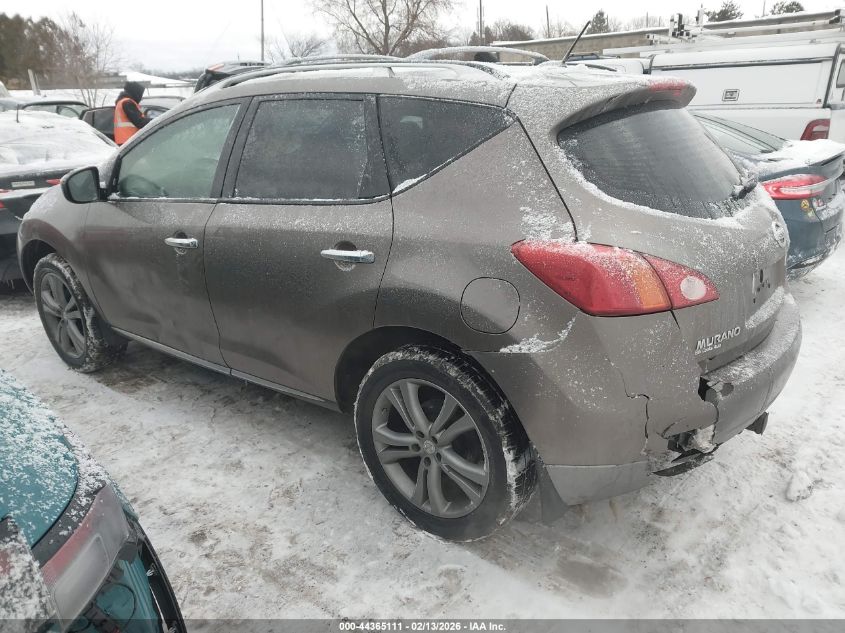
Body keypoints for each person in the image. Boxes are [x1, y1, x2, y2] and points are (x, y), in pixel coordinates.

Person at [113, 81, 151, 145]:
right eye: (140, 94)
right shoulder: (127, 103)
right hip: (129, 141)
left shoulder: (122, 102)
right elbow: (140, 122)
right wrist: (157, 120)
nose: (140, 97)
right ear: (135, 93)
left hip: (124, 141)